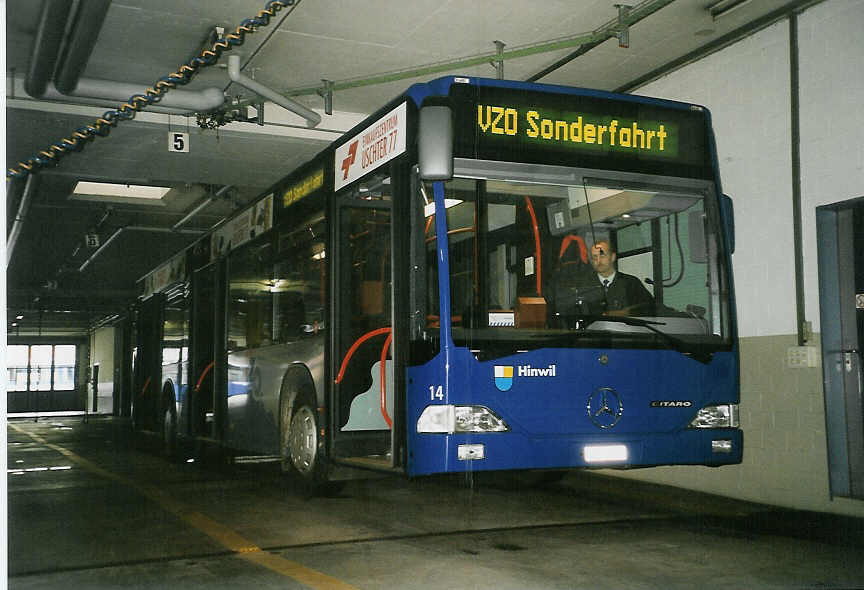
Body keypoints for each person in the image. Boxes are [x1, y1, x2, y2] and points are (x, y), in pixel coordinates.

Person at [587, 240, 654, 314]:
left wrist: (625, 313)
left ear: (613, 257)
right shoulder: (584, 285)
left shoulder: (631, 283)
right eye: (595, 257)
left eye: (602, 255)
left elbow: (649, 308)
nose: (598, 261)